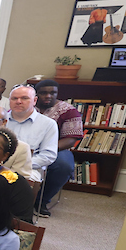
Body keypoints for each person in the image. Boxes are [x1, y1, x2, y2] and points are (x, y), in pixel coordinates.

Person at [33, 79, 82, 217]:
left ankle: (41, 201)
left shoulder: (68, 111)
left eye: (52, 93)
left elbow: (71, 140)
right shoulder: (26, 105)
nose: (48, 96)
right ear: (36, 94)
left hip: (57, 148)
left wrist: (46, 149)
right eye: (43, 93)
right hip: (27, 145)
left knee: (64, 166)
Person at [4, 84, 58, 186]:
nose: (18, 101)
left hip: (29, 168)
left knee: (15, 182)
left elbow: (48, 155)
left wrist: (20, 164)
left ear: (34, 101)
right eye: (14, 98)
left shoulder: (48, 124)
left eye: (25, 98)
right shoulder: (0, 120)